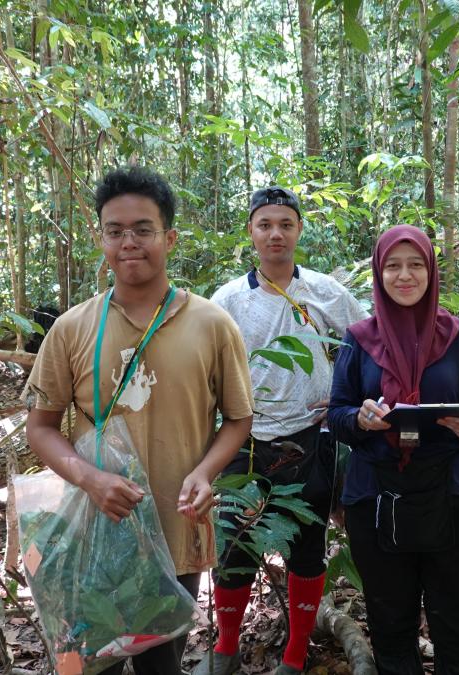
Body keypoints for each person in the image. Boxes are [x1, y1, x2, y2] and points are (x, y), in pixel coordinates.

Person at [23, 166, 254, 675]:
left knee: (161, 666)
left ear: (169, 237)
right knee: (89, 665)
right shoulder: (71, 328)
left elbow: (238, 420)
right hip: (94, 535)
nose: (129, 242)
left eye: (143, 229)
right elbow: (39, 427)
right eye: (115, 231)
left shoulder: (212, 324)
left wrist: (203, 473)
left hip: (177, 531)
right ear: (100, 239)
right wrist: (91, 479)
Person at [199, 186, 368, 675]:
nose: (275, 233)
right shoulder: (228, 299)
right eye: (265, 224)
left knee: (307, 549)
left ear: (298, 230)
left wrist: (342, 395)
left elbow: (364, 339)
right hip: (244, 439)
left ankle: (294, 658)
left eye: (285, 224)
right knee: (231, 546)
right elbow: (206, 365)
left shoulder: (323, 290)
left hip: (310, 437)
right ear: (251, 231)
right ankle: (226, 650)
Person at [327, 225, 459, 675]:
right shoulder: (359, 338)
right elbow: (338, 415)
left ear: (431, 270)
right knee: (390, 627)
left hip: (451, 495)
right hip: (375, 497)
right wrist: (360, 419)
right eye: (393, 266)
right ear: (379, 274)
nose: (405, 276)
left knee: (458, 627)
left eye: (416, 264)